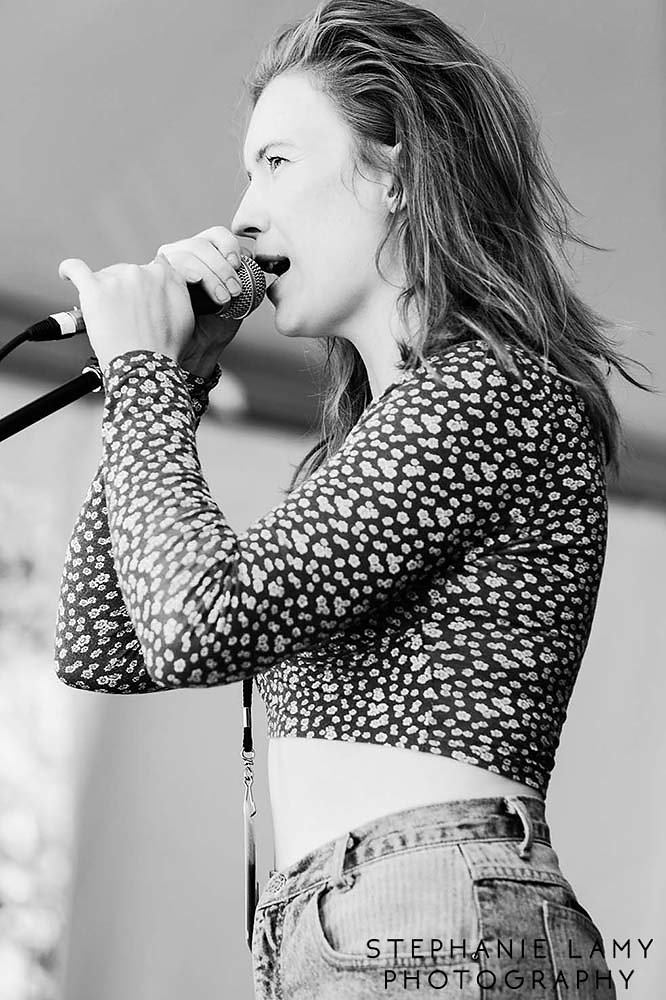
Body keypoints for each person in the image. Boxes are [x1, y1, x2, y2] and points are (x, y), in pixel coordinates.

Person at [53, 1, 652, 996]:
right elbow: (102, 639)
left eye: (278, 162)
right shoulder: (356, 452)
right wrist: (175, 382)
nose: (242, 210)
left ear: (400, 170)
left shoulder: (487, 391)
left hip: (433, 908)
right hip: (350, 922)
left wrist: (146, 377)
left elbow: (203, 624)